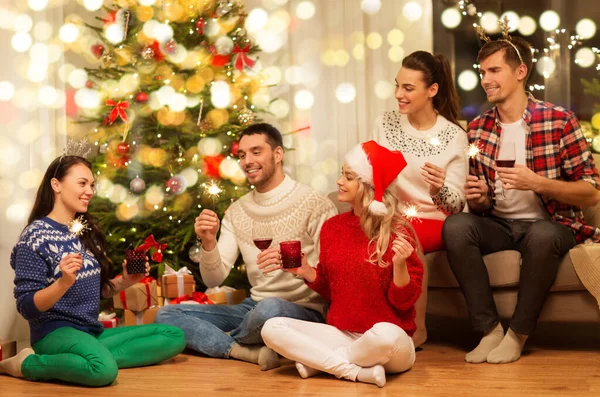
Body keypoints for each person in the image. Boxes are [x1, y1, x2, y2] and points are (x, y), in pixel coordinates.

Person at [442, 31, 600, 364]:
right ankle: (489, 331)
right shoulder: (479, 128)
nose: (486, 79)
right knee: (456, 226)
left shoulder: (559, 121)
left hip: (551, 224)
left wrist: (538, 183)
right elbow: (483, 201)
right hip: (499, 225)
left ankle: (517, 335)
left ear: (520, 72)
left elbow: (591, 192)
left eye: (494, 70)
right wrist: (481, 197)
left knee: (542, 234)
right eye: (482, 72)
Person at [155, 123, 337, 370]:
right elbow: (213, 280)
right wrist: (209, 241)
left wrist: (300, 268)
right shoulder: (238, 211)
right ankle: (242, 351)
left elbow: (335, 275)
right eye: (242, 155)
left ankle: (225, 340)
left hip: (305, 310)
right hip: (254, 308)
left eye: (256, 151)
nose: (247, 161)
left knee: (269, 309)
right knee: (166, 315)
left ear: (278, 154)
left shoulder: (314, 203)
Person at [1, 154, 185, 386]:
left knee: (173, 336)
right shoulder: (35, 236)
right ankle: (25, 364)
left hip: (90, 331)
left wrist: (127, 280)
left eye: (92, 185)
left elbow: (98, 292)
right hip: (54, 333)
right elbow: (27, 306)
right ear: (56, 184)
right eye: (82, 183)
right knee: (103, 371)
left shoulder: (85, 232)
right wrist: (63, 283)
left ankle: (85, 358)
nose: (89, 190)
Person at [261, 141, 423, 388]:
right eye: (341, 174)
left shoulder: (398, 231)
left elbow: (404, 302)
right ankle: (356, 372)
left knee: (384, 333)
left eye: (348, 176)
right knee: (272, 328)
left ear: (368, 186)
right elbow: (330, 289)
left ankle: (322, 363)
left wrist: (399, 264)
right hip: (341, 335)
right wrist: (305, 271)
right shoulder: (333, 228)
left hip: (390, 342)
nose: (339, 181)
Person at [372, 50, 468, 347]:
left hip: (433, 220)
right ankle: (364, 324)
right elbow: (374, 175)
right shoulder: (385, 123)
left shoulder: (453, 136)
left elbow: (456, 203)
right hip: (393, 215)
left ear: (432, 90)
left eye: (408, 88)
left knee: (403, 237)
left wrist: (439, 188)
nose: (398, 94)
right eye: (397, 85)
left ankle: (417, 329)